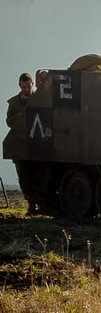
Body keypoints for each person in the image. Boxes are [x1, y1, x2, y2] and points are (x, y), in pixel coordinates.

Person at [6, 72, 44, 215]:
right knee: (24, 178)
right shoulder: (14, 103)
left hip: (38, 144)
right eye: (23, 87)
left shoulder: (39, 99)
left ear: (32, 85)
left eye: (28, 86)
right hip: (21, 144)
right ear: (19, 86)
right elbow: (9, 121)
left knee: (39, 176)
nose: (26, 90)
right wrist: (21, 116)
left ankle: (42, 204)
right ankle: (31, 205)